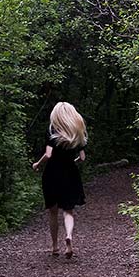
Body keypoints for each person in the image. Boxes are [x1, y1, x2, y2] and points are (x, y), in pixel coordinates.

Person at [31, 101, 87, 258]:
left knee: (53, 211)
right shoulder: (77, 131)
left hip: (52, 174)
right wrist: (71, 163)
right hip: (70, 173)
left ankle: (55, 247)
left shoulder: (51, 130)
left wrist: (37, 164)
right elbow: (82, 158)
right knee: (68, 210)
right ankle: (69, 236)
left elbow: (48, 155)